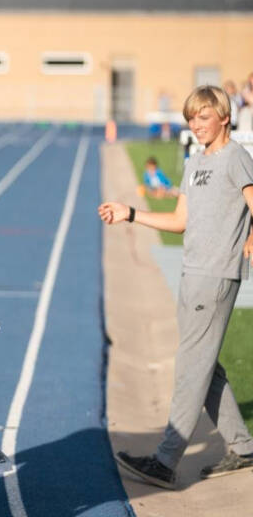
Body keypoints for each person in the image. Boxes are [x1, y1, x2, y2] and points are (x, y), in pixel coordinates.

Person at [98, 85, 253, 489]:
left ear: (224, 117)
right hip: (191, 271)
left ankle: (165, 462)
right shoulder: (194, 162)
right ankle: (243, 446)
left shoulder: (236, 157)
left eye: (203, 117)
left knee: (189, 369)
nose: (195, 125)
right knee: (204, 367)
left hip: (216, 275)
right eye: (191, 118)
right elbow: (179, 221)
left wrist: (251, 237)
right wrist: (130, 213)